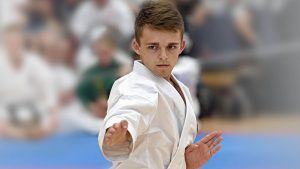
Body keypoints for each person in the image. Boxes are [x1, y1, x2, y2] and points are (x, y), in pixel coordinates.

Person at [98, 1, 223, 169]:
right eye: (153, 47)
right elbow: (129, 111)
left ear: (182, 46)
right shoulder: (133, 86)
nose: (163, 56)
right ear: (137, 46)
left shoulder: (182, 90)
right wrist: (119, 138)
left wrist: (186, 164)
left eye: (171, 47)